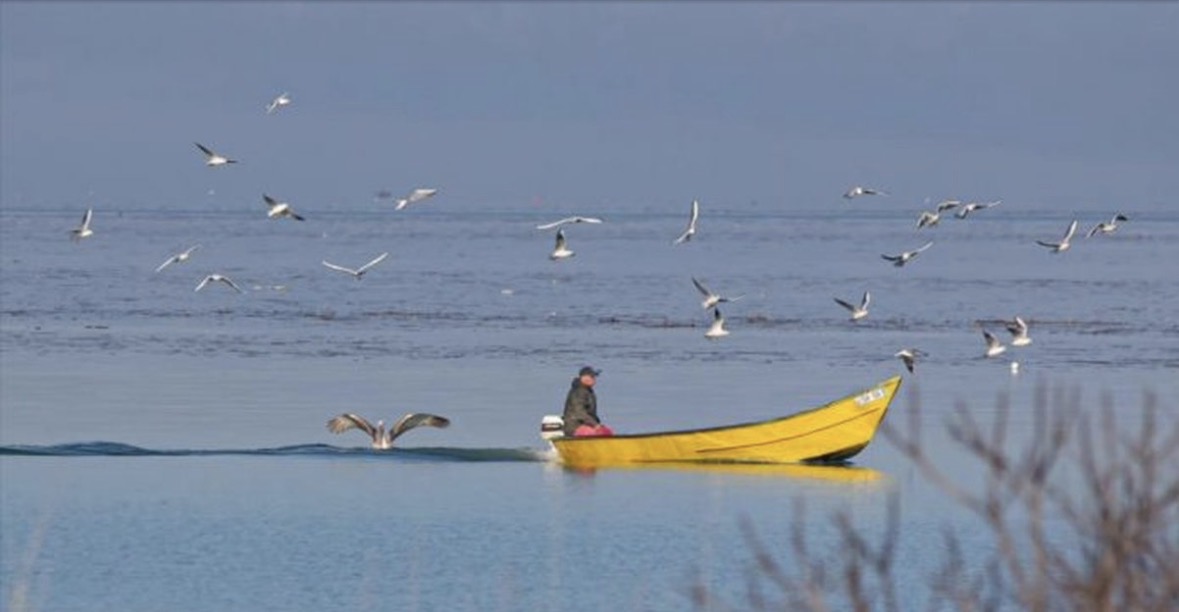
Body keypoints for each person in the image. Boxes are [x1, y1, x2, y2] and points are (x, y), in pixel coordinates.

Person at [562, 366, 614, 437]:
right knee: (594, 433)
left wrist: (598, 425)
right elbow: (579, 413)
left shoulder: (588, 391)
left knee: (607, 431)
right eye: (592, 377)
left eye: (594, 377)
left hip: (587, 425)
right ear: (583, 378)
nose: (594, 379)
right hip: (574, 427)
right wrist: (595, 425)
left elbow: (591, 414)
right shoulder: (578, 392)